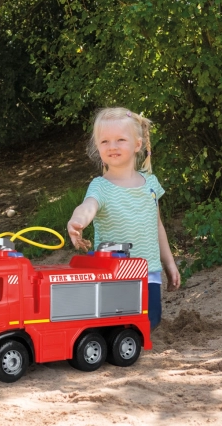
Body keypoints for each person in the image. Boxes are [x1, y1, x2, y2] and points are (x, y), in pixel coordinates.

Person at [67, 107, 180, 330]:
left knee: (150, 322)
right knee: (117, 323)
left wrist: (169, 263)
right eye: (105, 141)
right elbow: (88, 206)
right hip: (114, 273)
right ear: (97, 147)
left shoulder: (150, 184)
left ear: (137, 144)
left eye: (120, 139)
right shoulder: (100, 186)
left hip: (148, 271)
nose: (113, 146)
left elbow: (157, 226)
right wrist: (76, 220)